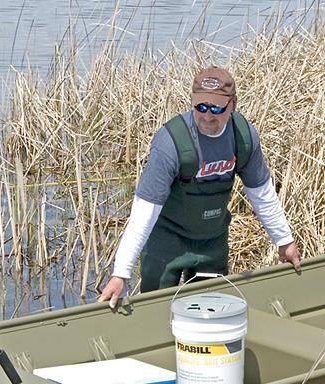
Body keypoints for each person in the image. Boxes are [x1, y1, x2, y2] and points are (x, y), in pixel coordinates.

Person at [98, 66, 301, 307]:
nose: (207, 116)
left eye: (216, 108)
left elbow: (262, 194)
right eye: (200, 107)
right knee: (157, 310)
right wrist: (121, 273)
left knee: (211, 309)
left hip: (211, 240)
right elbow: (144, 212)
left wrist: (284, 241)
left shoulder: (243, 138)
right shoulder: (170, 143)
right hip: (167, 240)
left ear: (233, 104)